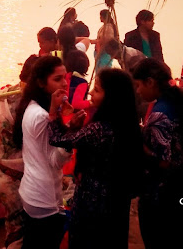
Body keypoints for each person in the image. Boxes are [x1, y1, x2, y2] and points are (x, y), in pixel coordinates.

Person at [49, 68, 143, 249]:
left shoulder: (99, 128)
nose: (90, 92)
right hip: (117, 197)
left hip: (93, 198)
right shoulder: (129, 126)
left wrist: (54, 111)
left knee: (88, 240)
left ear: (111, 97)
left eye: (97, 89)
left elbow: (58, 140)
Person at [132, 58, 183, 249]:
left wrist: (138, 143)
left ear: (150, 82)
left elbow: (163, 162)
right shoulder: (178, 104)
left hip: (160, 193)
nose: (138, 91)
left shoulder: (159, 114)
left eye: (139, 85)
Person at [13, 56, 73, 249]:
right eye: (57, 79)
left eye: (64, 77)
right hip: (43, 196)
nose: (64, 83)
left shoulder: (32, 106)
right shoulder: (41, 116)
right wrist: (70, 136)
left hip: (33, 190)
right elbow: (54, 160)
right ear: (41, 82)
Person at [0, 55, 38, 249]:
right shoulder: (29, 107)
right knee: (19, 227)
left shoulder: (1, 96)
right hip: (13, 177)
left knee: (13, 225)